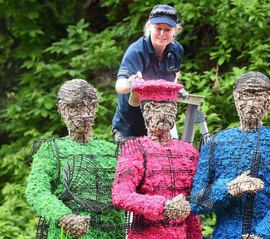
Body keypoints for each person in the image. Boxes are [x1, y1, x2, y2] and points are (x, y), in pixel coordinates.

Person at [190, 72, 270, 239]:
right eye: (245, 96)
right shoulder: (214, 143)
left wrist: (263, 234)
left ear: (268, 102)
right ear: (236, 99)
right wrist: (228, 188)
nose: (252, 104)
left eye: (259, 97)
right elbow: (197, 202)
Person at [26, 79, 125, 239]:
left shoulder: (112, 150)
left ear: (96, 107)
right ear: (62, 109)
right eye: (76, 108)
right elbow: (37, 190)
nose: (85, 115)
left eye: (90, 106)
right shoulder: (52, 150)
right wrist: (64, 217)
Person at [111, 80, 202, 239]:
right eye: (155, 107)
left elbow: (192, 208)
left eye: (169, 107)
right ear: (145, 111)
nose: (163, 114)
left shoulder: (189, 151)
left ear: (175, 111)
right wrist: (161, 206)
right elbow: (120, 195)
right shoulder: (134, 148)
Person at [113, 3, 184, 142]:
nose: (162, 34)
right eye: (158, 28)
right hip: (130, 129)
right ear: (149, 27)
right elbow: (119, 86)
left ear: (175, 31)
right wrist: (131, 82)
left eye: (168, 29)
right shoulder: (136, 51)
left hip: (160, 129)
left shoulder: (177, 50)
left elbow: (175, 76)